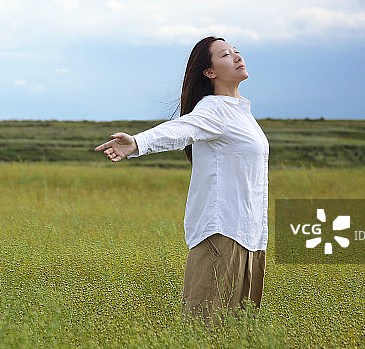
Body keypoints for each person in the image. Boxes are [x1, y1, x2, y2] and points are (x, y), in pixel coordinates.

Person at [94, 36, 269, 326]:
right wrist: (137, 143)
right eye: (226, 55)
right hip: (222, 233)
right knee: (205, 329)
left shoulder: (242, 113)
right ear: (209, 72)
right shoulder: (214, 109)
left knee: (238, 335)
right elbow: (181, 129)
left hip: (251, 236)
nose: (237, 57)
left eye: (237, 52)